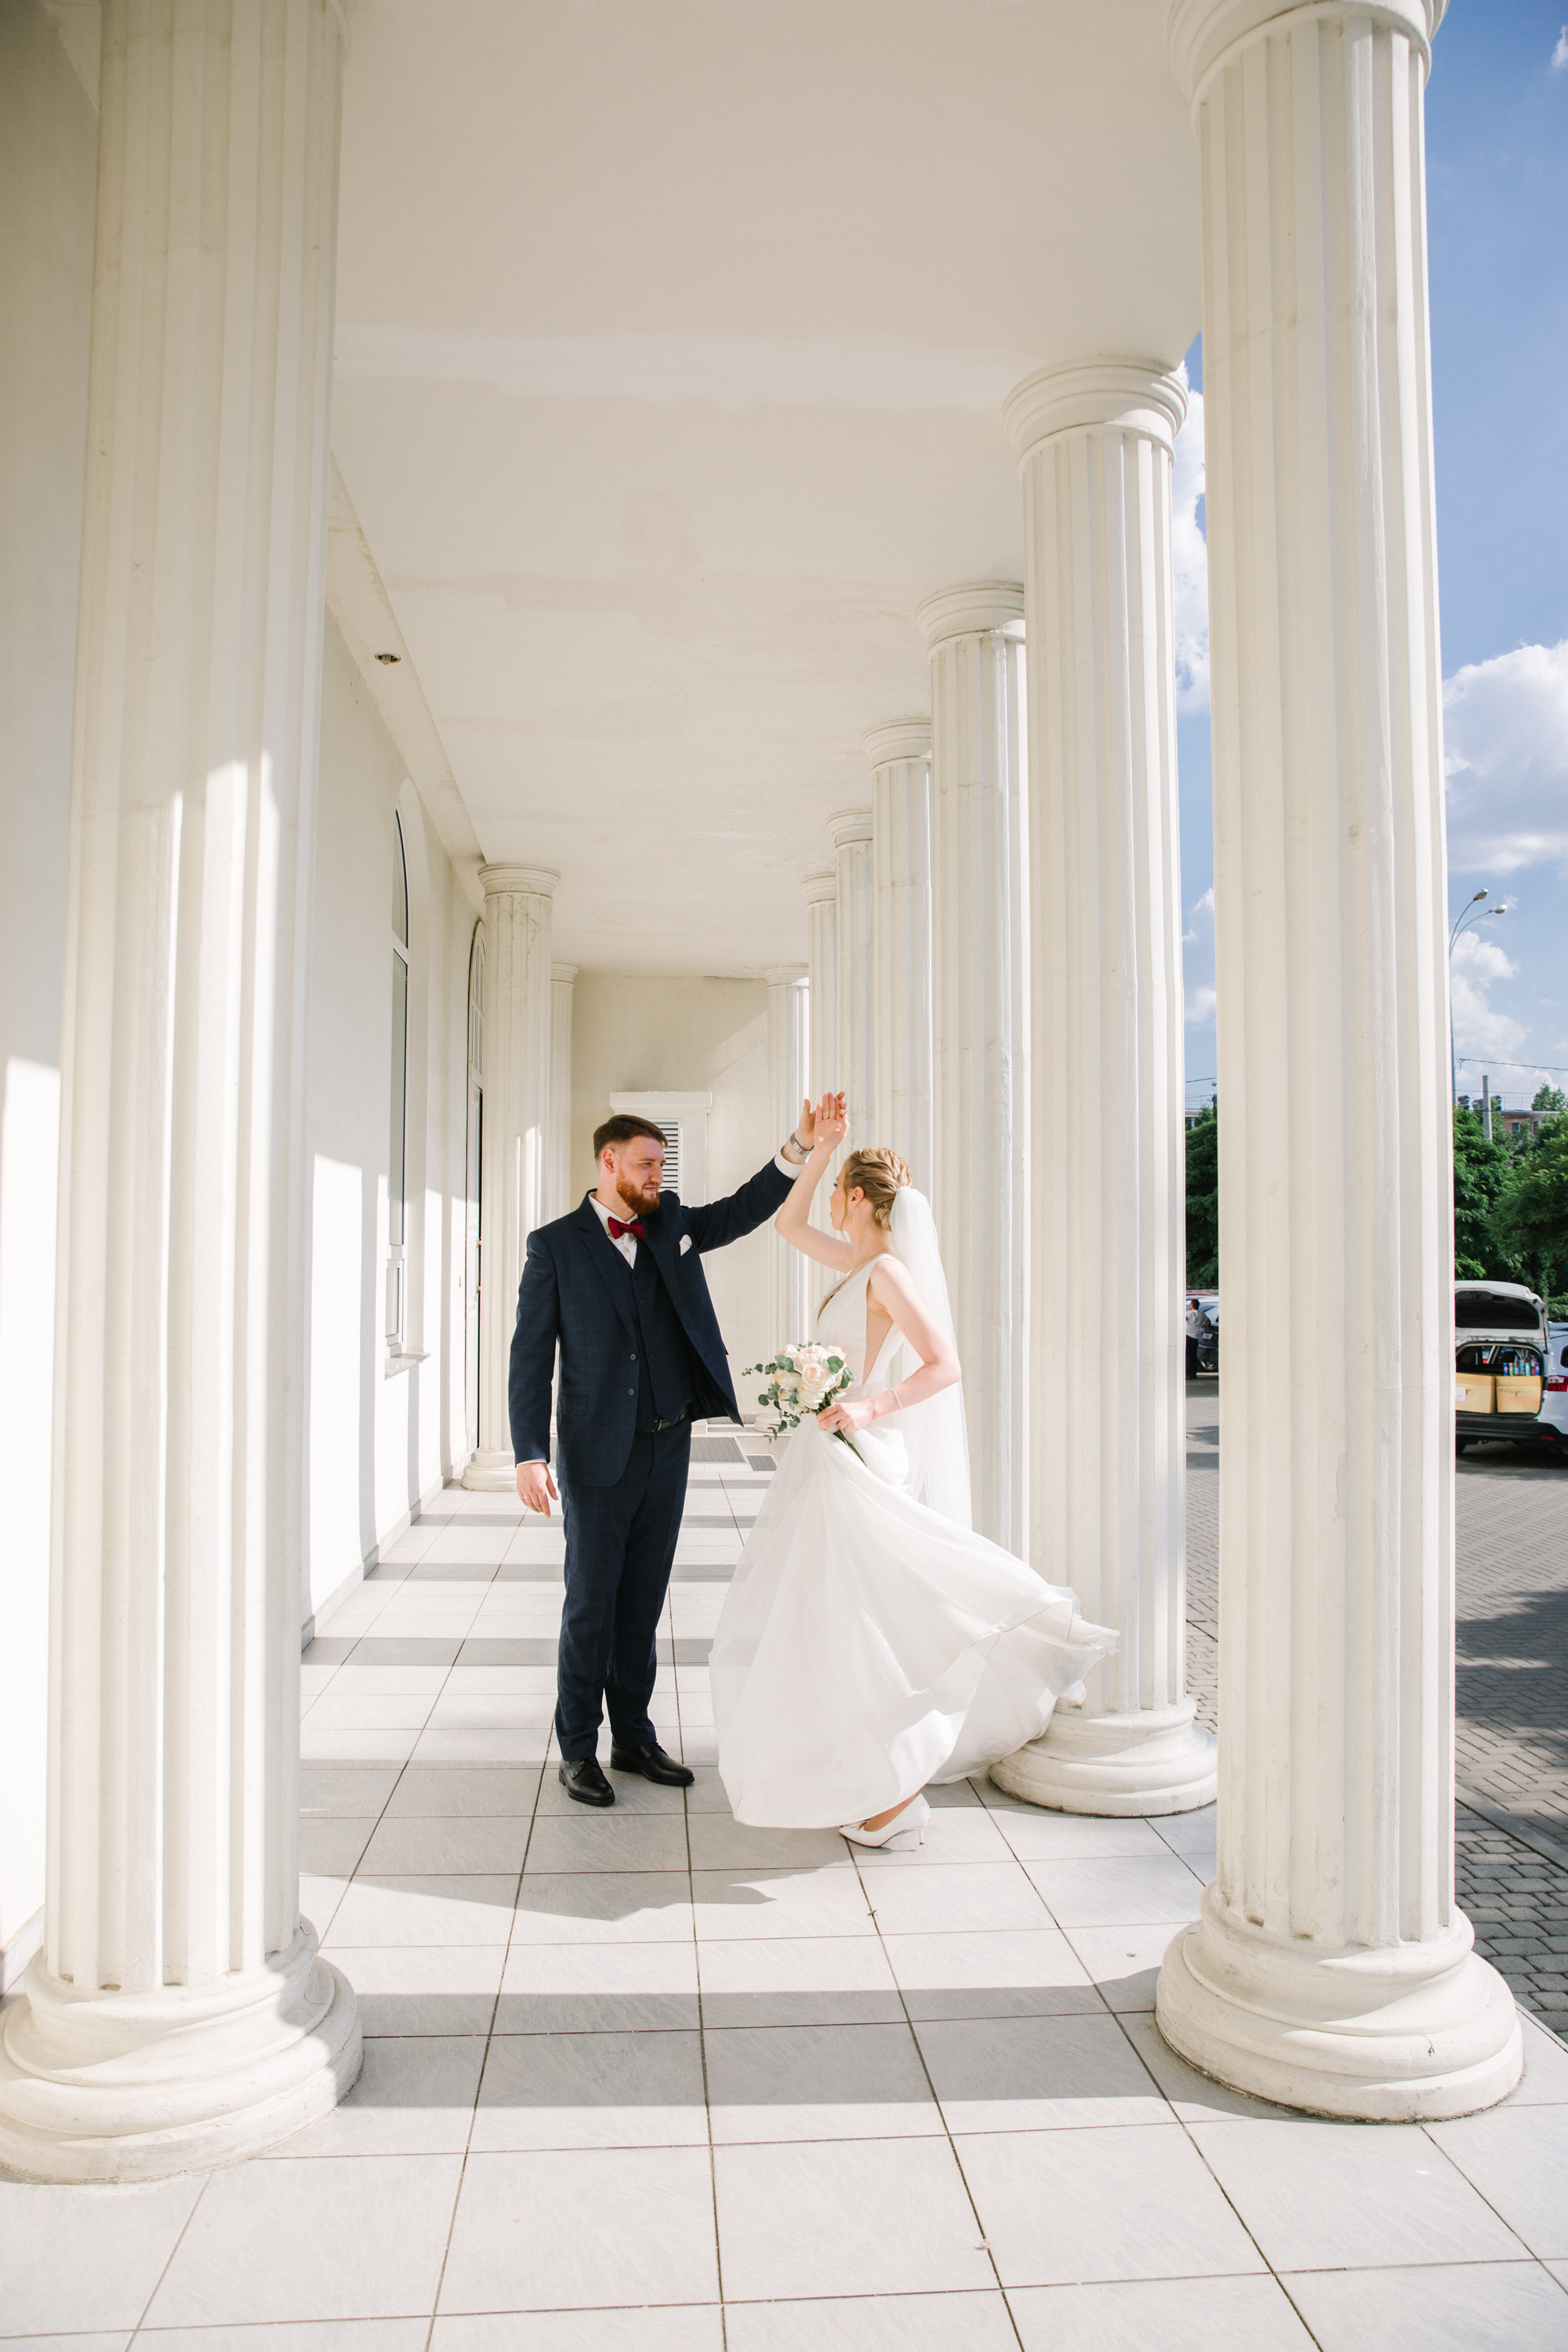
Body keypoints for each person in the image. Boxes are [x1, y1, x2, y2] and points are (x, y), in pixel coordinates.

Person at [710, 1108, 1115, 1847]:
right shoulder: (856, 1266)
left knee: (874, 1617)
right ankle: (882, 1781)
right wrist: (820, 1150)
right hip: (824, 1462)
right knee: (840, 1620)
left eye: (837, 1187)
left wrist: (870, 1406)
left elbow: (944, 1365)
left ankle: (901, 1786)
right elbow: (788, 1227)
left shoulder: (888, 1272)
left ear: (858, 1199)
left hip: (857, 1456)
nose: (831, 1198)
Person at [510, 1092, 844, 1806]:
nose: (657, 1175)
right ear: (608, 1162)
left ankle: (633, 1736)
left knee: (643, 1603)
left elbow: (742, 1208)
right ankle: (577, 1748)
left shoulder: (671, 1227)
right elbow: (530, 1358)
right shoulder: (555, 1246)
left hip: (668, 1447)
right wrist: (529, 1453)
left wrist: (801, 1144)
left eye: (660, 1164)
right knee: (590, 1606)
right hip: (596, 1457)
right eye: (646, 1164)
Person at [1186, 1295, 1203, 1382]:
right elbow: (1207, 1323)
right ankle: (1193, 1373)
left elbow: (1184, 1319)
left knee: (1188, 1356)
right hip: (1196, 1336)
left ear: (1192, 1305)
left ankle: (1188, 1374)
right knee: (1193, 1355)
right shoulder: (1202, 1314)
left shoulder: (1189, 1313)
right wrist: (1199, 1325)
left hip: (1188, 1335)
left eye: (1190, 1304)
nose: (1189, 1306)